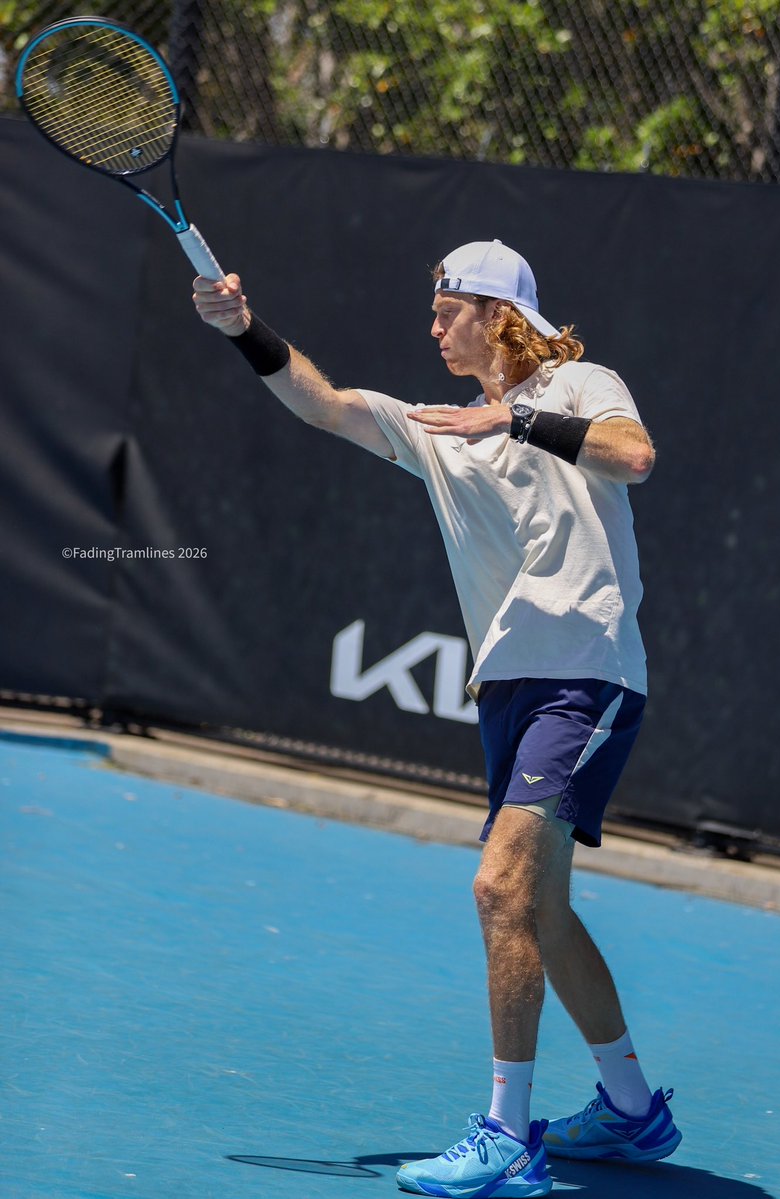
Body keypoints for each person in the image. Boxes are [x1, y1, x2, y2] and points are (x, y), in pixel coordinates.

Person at [192, 239, 682, 1199]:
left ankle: (508, 1133)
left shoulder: (583, 383)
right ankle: (631, 1109)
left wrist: (516, 416)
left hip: (583, 671)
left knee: (499, 889)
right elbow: (324, 404)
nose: (431, 326)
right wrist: (244, 329)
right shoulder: (436, 426)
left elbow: (636, 456)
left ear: (496, 312)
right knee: (539, 906)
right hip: (510, 681)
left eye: (445, 308)